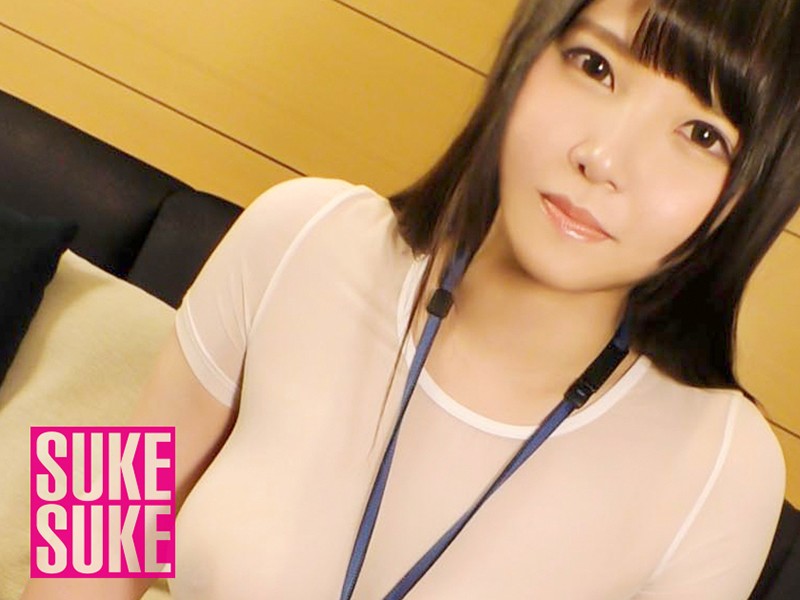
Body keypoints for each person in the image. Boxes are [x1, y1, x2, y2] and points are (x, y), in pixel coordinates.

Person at [23, 0, 800, 597]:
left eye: (702, 135)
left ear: (753, 200)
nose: (603, 157)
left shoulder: (722, 468)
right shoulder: (298, 229)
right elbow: (90, 547)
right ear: (527, 53)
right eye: (595, 67)